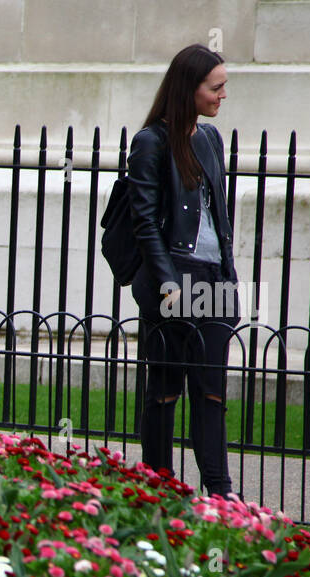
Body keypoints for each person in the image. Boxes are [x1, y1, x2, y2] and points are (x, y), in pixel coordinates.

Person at [127, 43, 241, 501]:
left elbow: (220, 217)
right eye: (215, 87)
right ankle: (159, 487)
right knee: (165, 389)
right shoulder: (151, 142)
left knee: (211, 391)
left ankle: (220, 492)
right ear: (188, 88)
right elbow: (144, 222)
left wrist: (230, 278)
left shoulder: (210, 139)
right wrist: (168, 282)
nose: (223, 95)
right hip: (174, 278)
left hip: (213, 276)